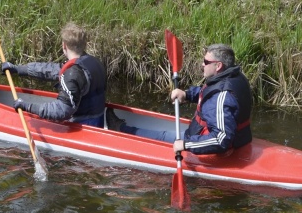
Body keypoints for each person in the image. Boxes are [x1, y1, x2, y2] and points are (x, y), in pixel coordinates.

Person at [106, 43, 252, 155]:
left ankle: (120, 129)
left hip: (212, 149)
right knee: (165, 132)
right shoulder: (236, 78)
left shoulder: (222, 96)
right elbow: (208, 95)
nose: (202, 65)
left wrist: (185, 145)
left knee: (162, 135)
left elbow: (222, 139)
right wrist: (187, 94)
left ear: (218, 65)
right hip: (235, 139)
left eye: (206, 62)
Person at [1, 23, 107, 127]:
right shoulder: (93, 62)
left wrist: (28, 107)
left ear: (64, 45)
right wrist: (17, 69)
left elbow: (61, 111)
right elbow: (49, 70)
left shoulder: (72, 74)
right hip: (98, 120)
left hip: (82, 127)